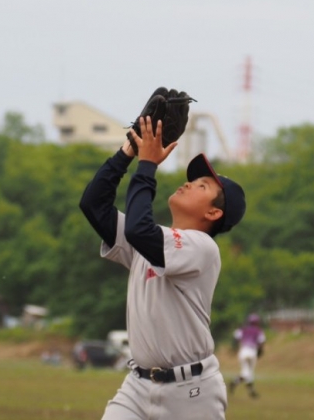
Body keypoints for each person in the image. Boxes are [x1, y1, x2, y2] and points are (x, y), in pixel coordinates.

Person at [79, 115, 247, 420]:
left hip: (192, 393)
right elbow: (94, 205)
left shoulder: (202, 248)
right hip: (137, 386)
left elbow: (139, 230)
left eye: (202, 186)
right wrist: (129, 151)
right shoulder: (153, 240)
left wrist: (148, 165)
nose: (188, 184)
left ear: (213, 212)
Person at [229, 313, 266, 398]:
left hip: (243, 351)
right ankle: (235, 382)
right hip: (252, 351)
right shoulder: (258, 330)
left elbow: (236, 337)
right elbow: (261, 342)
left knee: (246, 372)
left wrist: (234, 347)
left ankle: (251, 391)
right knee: (248, 373)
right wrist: (260, 352)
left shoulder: (243, 329)